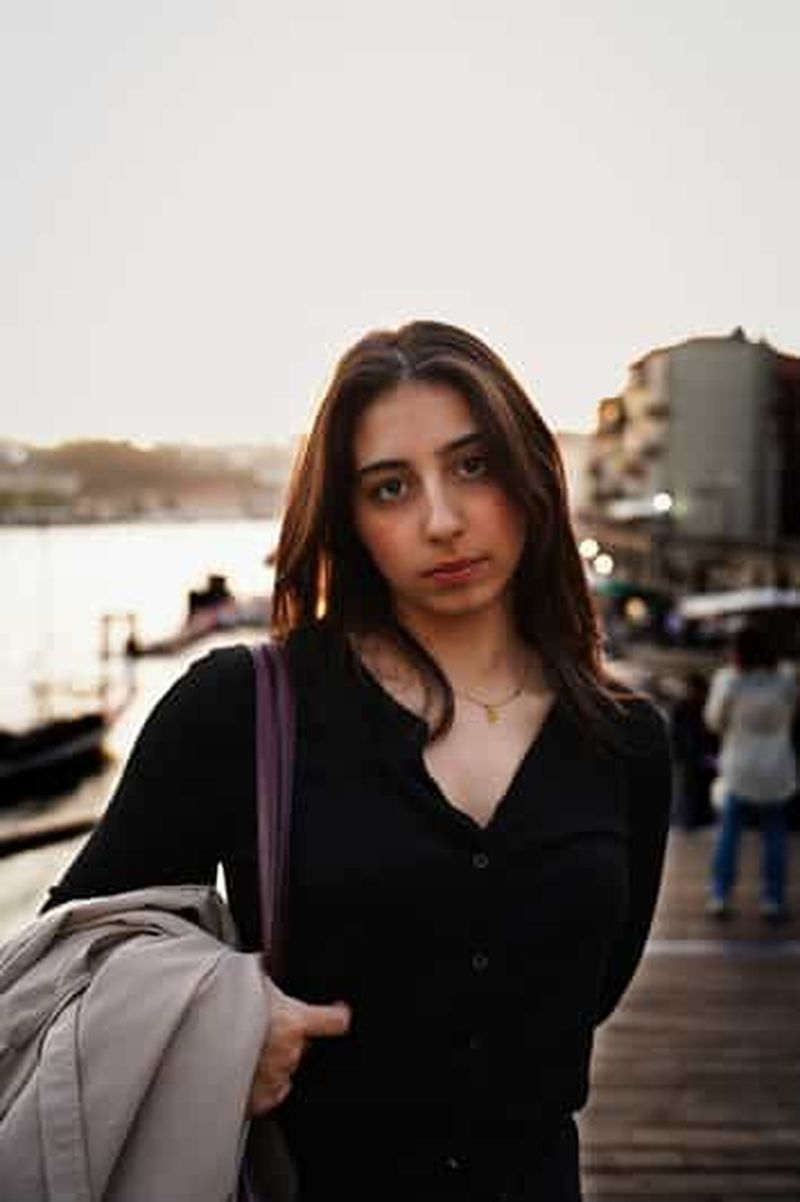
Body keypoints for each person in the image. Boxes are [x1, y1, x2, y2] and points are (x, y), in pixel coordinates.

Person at [45, 321, 671, 1201]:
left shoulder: (628, 738)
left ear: (531, 472)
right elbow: (69, 955)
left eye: (473, 465)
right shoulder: (239, 707)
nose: (443, 520)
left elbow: (592, 993)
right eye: (390, 488)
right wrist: (221, 1021)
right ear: (349, 517)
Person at [705, 623, 797, 922]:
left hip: (739, 766)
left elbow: (714, 720)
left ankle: (720, 895)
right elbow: (793, 712)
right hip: (777, 767)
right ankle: (773, 899)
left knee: (729, 834)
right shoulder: (786, 678)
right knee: (775, 835)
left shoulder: (728, 680)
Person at [669, 671, 717, 829]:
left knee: (697, 790)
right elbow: (675, 734)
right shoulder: (683, 707)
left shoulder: (702, 706)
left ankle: (694, 819)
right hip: (690, 757)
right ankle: (688, 820)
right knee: (689, 790)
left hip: (698, 757)